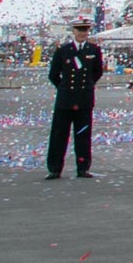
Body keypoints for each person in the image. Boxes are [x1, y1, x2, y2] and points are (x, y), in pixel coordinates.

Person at [45, 16, 104, 179]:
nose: (82, 33)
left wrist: (86, 86)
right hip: (65, 100)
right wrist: (64, 88)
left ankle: (83, 167)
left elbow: (97, 72)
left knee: (83, 135)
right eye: (79, 30)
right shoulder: (63, 50)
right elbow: (53, 74)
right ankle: (55, 168)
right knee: (59, 135)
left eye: (85, 30)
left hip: (84, 99)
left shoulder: (93, 50)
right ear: (73, 31)